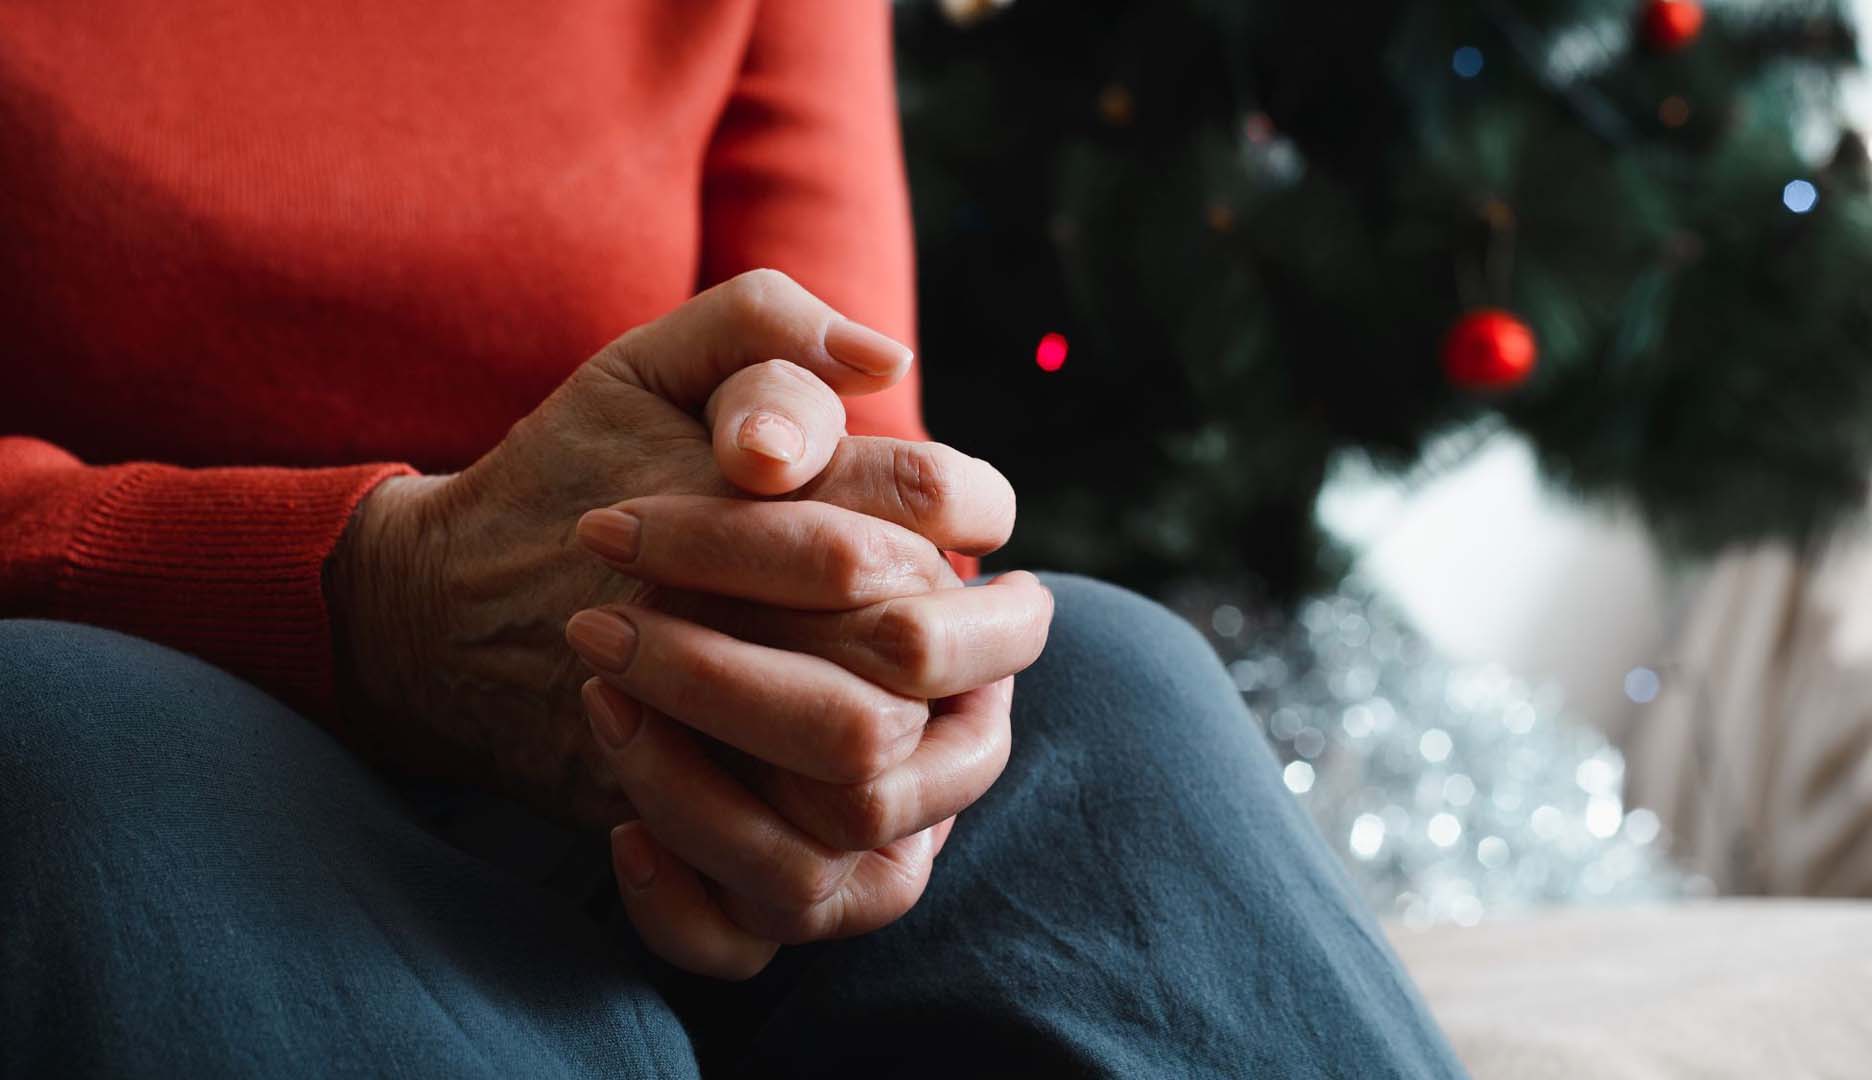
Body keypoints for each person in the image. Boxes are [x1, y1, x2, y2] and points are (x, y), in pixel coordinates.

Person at [0, 2, 1467, 1075]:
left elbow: (848, 423)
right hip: (144, 679)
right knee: (77, 740)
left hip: (626, 707)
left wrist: (845, 676)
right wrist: (369, 595)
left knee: (1107, 689)